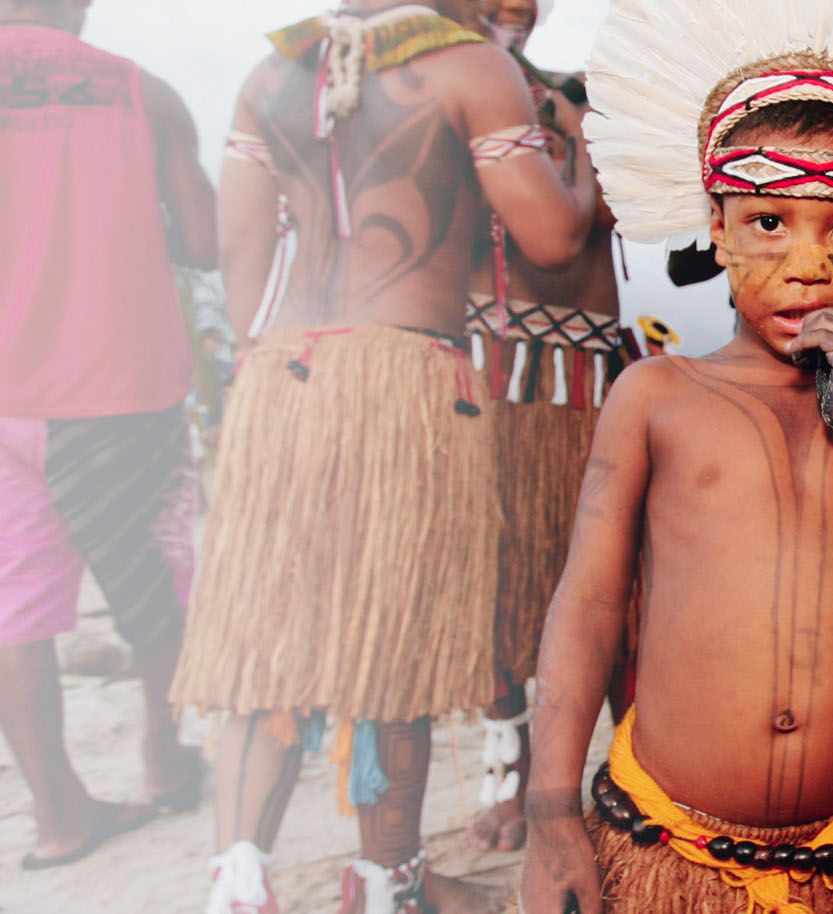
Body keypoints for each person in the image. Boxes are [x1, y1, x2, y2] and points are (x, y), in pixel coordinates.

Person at [520, 0, 833, 909]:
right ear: (717, 227)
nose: (806, 263)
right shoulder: (659, 397)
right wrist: (551, 810)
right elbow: (588, 602)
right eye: (768, 223)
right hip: (675, 846)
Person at [170, 3, 597, 911]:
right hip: (406, 373)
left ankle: (238, 876)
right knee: (395, 637)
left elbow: (240, 250)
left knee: (268, 643)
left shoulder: (273, 74)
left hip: (282, 375)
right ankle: (387, 879)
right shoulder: (472, 68)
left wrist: (271, 370)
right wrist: (589, 166)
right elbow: (554, 242)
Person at [0, 0, 213, 870]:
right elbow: (204, 242)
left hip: (5, 397)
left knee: (16, 612)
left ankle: (59, 815)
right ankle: (166, 763)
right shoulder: (144, 95)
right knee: (151, 592)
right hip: (117, 388)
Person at [461, 0, 629, 853]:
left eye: (521, 6)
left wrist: (589, 131)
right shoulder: (461, 94)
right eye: (490, 4)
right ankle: (517, 773)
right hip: (500, 373)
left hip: (590, 373)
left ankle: (638, 768)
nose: (505, 17)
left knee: (613, 578)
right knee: (502, 583)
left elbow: (596, 226)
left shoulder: (587, 99)